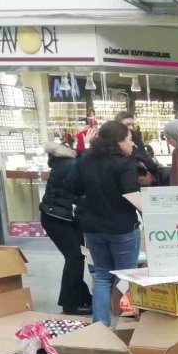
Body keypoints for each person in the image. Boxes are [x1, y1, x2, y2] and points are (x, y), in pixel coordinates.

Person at [66, 120, 142, 326]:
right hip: (122, 228)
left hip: (92, 228)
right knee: (127, 277)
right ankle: (129, 325)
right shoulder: (125, 164)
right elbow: (131, 193)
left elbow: (72, 187)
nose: (132, 143)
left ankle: (100, 326)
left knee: (102, 276)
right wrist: (155, 213)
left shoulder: (85, 160)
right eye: (128, 139)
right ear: (117, 142)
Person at [39, 142, 91, 315]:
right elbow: (81, 187)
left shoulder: (63, 163)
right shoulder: (69, 165)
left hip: (63, 217)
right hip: (58, 218)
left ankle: (81, 296)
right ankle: (70, 303)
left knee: (77, 256)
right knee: (75, 257)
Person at [116, 111, 157, 186]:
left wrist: (150, 173)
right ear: (118, 125)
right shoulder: (114, 144)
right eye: (127, 124)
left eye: (132, 124)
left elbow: (144, 156)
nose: (131, 127)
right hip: (128, 184)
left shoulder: (136, 139)